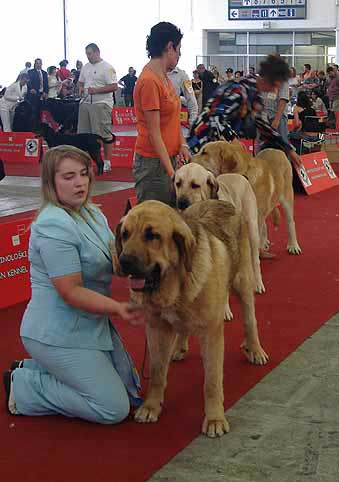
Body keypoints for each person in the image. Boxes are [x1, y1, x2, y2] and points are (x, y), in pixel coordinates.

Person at [3, 145, 144, 423]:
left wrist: (144, 268)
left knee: (130, 392)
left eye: (83, 174)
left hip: (88, 325)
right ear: (50, 183)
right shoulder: (53, 225)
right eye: (68, 177)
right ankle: (23, 386)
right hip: (55, 333)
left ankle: (37, 369)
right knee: (113, 409)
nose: (80, 182)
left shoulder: (92, 213)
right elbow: (71, 291)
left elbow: (112, 261)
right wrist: (119, 308)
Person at [187, 54, 302, 167]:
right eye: (277, 85)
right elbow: (216, 118)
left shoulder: (255, 96)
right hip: (202, 146)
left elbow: (263, 126)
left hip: (218, 150)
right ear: (269, 79)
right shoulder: (239, 89)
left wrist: (289, 149)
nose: (276, 90)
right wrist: (234, 141)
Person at [133, 22, 190, 206]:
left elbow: (173, 120)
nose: (179, 55)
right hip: (153, 165)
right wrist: (173, 175)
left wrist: (182, 145)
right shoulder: (149, 81)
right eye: (179, 49)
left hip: (168, 158)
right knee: (154, 224)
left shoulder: (164, 76)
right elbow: (154, 133)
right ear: (169, 47)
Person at [77, 43, 117, 173]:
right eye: (86, 54)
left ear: (97, 52)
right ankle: (86, 161)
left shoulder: (107, 67)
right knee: (84, 134)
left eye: (89, 53)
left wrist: (97, 90)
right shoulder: (85, 67)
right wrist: (81, 88)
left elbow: (113, 86)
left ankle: (107, 162)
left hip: (102, 103)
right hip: (86, 103)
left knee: (103, 133)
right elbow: (81, 82)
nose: (88, 57)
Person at [26, 58, 49, 129]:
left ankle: (40, 128)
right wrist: (31, 88)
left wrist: (46, 92)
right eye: (37, 63)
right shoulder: (30, 72)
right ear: (35, 64)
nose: (39, 65)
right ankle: (33, 128)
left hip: (42, 95)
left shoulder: (44, 73)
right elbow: (28, 82)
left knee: (41, 111)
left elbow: (46, 84)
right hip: (34, 95)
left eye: (40, 63)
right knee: (34, 112)